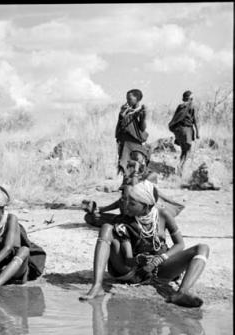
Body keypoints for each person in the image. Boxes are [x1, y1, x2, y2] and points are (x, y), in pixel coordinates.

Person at [80, 180, 209, 308]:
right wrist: (138, 260)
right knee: (106, 228)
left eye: (132, 203)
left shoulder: (163, 214)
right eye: (127, 201)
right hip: (133, 271)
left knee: (202, 248)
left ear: (146, 206)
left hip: (161, 268)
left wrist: (160, 258)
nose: (126, 206)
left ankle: (182, 292)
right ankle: (97, 286)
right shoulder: (125, 220)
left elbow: (180, 244)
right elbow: (128, 258)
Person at [83, 149, 184, 227]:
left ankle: (128, 225)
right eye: (131, 159)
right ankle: (122, 222)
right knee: (89, 217)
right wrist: (102, 209)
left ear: (144, 160)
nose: (133, 162)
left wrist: (135, 171)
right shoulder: (130, 176)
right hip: (126, 215)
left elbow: (136, 191)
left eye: (136, 159)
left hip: (141, 217)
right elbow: (122, 201)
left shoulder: (150, 175)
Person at [115, 89, 148, 175]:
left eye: (129, 99)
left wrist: (143, 117)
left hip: (135, 140)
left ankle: (134, 183)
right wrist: (124, 113)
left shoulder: (141, 110)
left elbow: (142, 128)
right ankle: (126, 183)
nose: (127, 101)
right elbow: (121, 121)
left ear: (137, 99)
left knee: (137, 160)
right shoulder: (125, 109)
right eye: (127, 99)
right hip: (124, 139)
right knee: (125, 163)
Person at [168, 90, 200, 176]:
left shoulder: (180, 106)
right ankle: (180, 166)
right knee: (188, 151)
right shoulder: (192, 106)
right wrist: (197, 132)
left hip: (179, 131)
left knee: (183, 151)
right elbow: (196, 120)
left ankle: (180, 172)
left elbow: (175, 119)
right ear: (191, 98)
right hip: (186, 130)